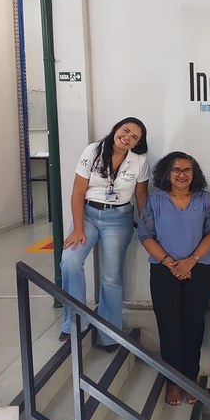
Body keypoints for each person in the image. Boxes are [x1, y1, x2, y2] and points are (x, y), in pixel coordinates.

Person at [138, 151, 210, 406]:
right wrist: (169, 262)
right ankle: (173, 381)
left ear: (194, 174)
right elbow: (145, 235)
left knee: (194, 324)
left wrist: (190, 261)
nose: (182, 175)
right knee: (169, 326)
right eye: (176, 170)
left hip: (198, 269)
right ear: (167, 173)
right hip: (164, 271)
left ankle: (190, 378)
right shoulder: (155, 200)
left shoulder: (205, 200)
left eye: (187, 170)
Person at [60, 117, 150, 349]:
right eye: (125, 131)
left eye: (134, 137)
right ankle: (74, 323)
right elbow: (77, 192)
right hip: (87, 215)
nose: (127, 137)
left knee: (111, 277)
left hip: (118, 219)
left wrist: (147, 227)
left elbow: (141, 195)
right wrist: (78, 228)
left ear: (137, 143)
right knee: (70, 261)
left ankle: (109, 333)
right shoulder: (93, 151)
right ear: (116, 129)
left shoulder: (140, 161)